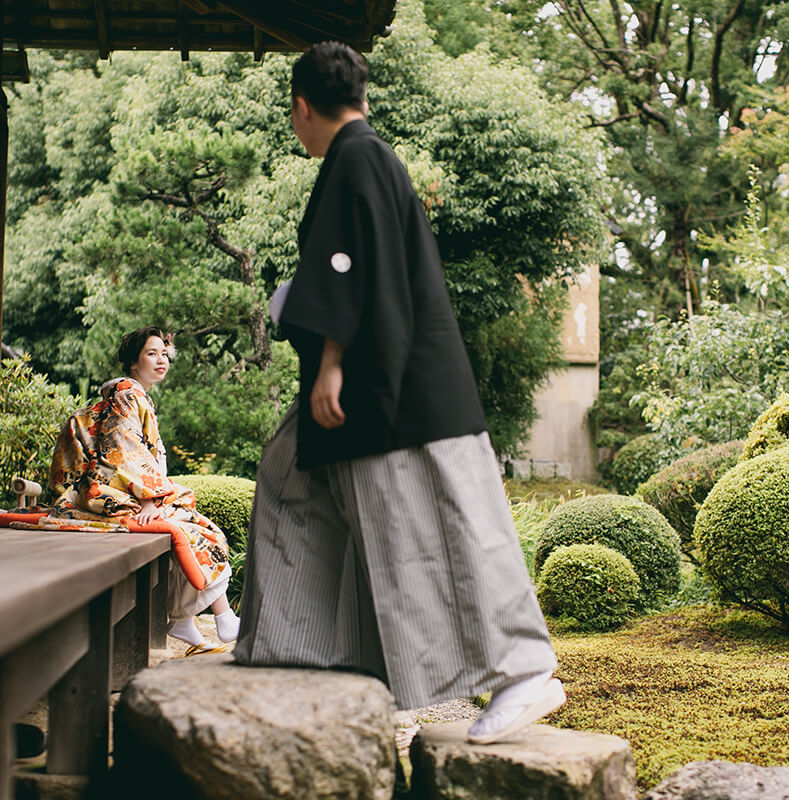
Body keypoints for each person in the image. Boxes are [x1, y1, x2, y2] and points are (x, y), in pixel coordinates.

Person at [234, 42, 563, 744]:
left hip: (401, 390)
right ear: (364, 94)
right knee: (296, 484)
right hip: (386, 376)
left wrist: (330, 361)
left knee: (445, 532)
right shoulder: (364, 156)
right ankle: (331, 663)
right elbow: (349, 266)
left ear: (300, 105)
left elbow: (350, 266)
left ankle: (524, 672)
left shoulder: (356, 158)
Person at [0, 327, 239, 655]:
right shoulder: (128, 394)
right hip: (106, 494)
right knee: (193, 527)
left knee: (189, 522)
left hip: (120, 489)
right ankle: (221, 616)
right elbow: (123, 449)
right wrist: (150, 496)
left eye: (164, 354)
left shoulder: (133, 394)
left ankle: (186, 619)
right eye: (151, 354)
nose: (160, 360)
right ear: (133, 361)